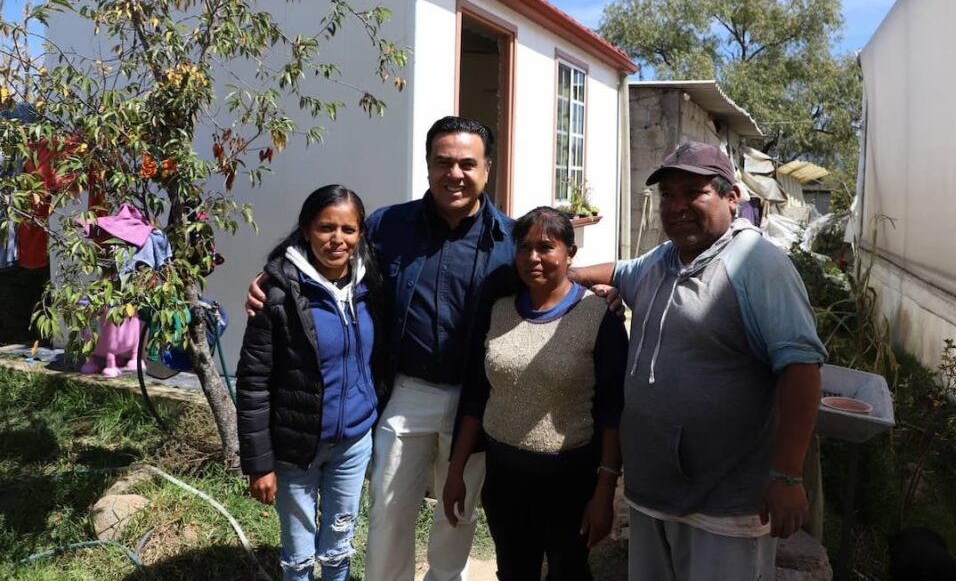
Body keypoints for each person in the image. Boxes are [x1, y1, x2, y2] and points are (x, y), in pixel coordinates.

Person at [246, 116, 518, 581]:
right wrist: (272, 278)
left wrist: (606, 292)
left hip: (475, 397)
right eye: (443, 162)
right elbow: (327, 246)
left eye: (467, 164)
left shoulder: (509, 240)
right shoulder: (390, 226)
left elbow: (547, 280)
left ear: (487, 170)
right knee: (389, 507)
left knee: (459, 510)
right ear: (428, 166)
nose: (455, 173)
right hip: (406, 390)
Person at [570, 142, 827, 581]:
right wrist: (563, 281)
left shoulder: (755, 264)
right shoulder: (662, 260)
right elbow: (617, 272)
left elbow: (801, 369)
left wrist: (787, 475)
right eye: (668, 194)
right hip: (653, 492)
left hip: (724, 505)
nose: (677, 206)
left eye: (694, 191)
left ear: (732, 198)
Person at [442, 207, 627, 581]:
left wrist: (605, 490)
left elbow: (613, 411)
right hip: (505, 477)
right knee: (513, 571)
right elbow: (478, 396)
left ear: (570, 254)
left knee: (568, 571)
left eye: (546, 247)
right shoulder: (499, 310)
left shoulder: (598, 316)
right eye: (524, 248)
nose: (533, 258)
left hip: (570, 480)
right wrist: (456, 470)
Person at [236, 184, 389, 581]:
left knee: (339, 547)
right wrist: (259, 464)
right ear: (306, 229)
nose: (337, 239)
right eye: (326, 228)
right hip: (296, 448)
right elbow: (252, 382)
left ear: (360, 235)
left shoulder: (371, 285)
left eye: (348, 230)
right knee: (299, 557)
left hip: (353, 443)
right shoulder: (277, 294)